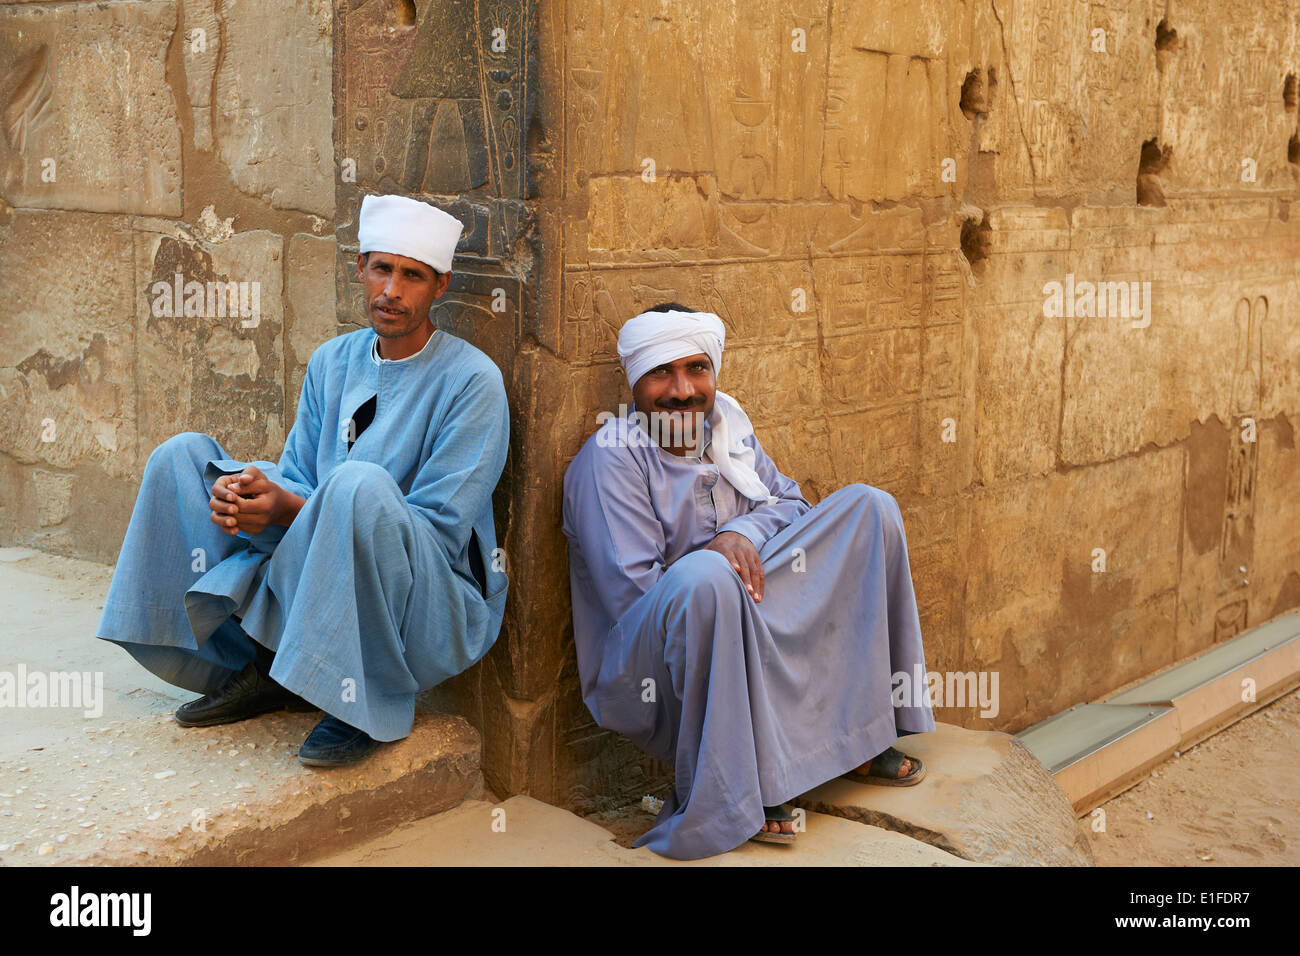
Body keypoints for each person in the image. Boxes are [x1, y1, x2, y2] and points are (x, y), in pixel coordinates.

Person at [96, 194, 510, 767]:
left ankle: (355, 696)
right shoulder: (332, 361)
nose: (392, 291)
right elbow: (296, 475)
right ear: (360, 269)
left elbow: (435, 532)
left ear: (439, 287)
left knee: (358, 486)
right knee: (183, 458)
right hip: (315, 559)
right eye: (382, 269)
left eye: (412, 276)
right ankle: (266, 666)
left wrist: (290, 510)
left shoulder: (472, 381)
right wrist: (248, 494)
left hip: (427, 598)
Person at [561, 304, 935, 859]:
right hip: (647, 665)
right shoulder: (612, 459)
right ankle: (739, 786)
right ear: (633, 381)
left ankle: (859, 735)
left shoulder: (728, 431)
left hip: (738, 605)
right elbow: (634, 598)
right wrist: (718, 559)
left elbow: (791, 503)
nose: (682, 390)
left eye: (696, 369)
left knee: (868, 508)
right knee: (708, 577)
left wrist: (737, 531)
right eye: (662, 372)